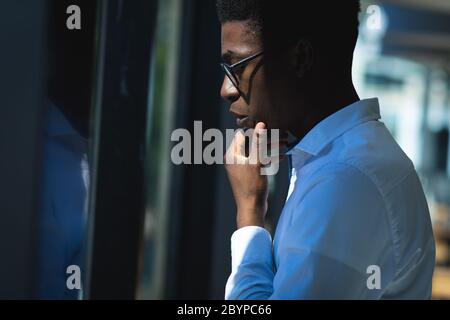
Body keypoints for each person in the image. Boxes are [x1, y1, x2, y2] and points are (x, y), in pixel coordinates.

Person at [217, 0, 435, 299]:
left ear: (301, 58)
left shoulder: (344, 180)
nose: (226, 89)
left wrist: (250, 212)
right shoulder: (345, 160)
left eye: (237, 67)